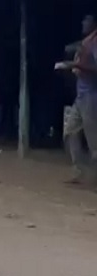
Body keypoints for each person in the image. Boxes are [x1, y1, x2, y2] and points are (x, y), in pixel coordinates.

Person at [55, 14, 97, 185]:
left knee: (94, 141)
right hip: (81, 96)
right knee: (70, 132)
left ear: (94, 23)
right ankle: (81, 171)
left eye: (86, 20)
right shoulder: (87, 42)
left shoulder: (95, 42)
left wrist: (74, 65)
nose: (83, 23)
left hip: (91, 96)